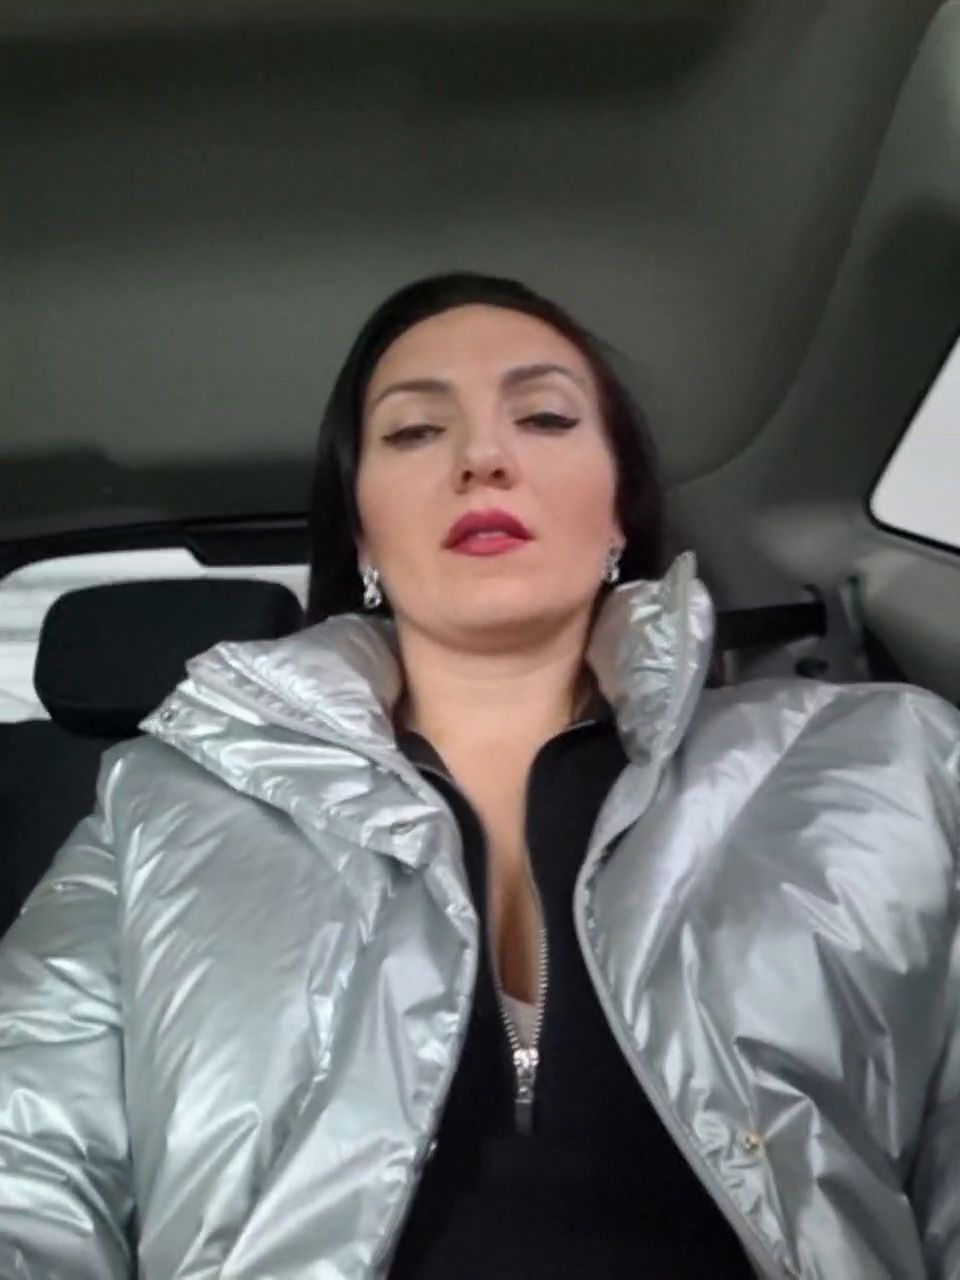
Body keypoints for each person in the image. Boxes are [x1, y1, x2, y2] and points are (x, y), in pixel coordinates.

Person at [0, 272, 957, 1280]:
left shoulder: (878, 763)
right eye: (415, 431)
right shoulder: (157, 806)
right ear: (363, 534)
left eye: (544, 417)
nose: (482, 458)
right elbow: (25, 1160)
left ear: (620, 514)